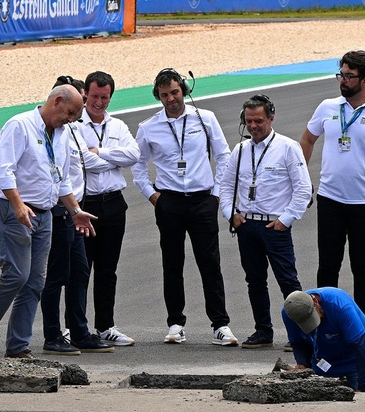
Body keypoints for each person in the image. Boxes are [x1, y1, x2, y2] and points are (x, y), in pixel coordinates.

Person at [0, 85, 96, 360]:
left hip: (44, 214)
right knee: (16, 274)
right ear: (57, 101)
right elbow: (4, 172)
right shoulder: (20, 125)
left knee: (36, 281)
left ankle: (18, 347)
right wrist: (18, 205)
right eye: (70, 112)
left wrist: (75, 210)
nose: (72, 119)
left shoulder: (62, 133)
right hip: (13, 211)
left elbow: (62, 179)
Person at [133, 68, 237, 346]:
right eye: (165, 94)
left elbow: (223, 155)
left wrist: (216, 193)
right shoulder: (148, 127)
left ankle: (220, 324)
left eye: (175, 92)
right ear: (158, 96)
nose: (170, 99)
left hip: (203, 199)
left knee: (210, 263)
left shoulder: (205, 118)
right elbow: (138, 165)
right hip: (169, 202)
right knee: (172, 263)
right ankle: (176, 323)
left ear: (185, 91)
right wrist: (153, 196)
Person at [300, 50, 365, 317]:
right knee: (328, 264)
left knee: (362, 264)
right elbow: (307, 140)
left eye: (348, 76)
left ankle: (362, 318)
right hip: (330, 198)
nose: (342, 81)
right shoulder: (327, 107)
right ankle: (322, 318)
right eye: (340, 75)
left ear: (364, 81)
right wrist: (301, 180)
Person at [218, 94, 312, 348]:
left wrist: (286, 220)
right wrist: (231, 214)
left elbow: (303, 189)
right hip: (247, 225)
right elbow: (225, 186)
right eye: (248, 121)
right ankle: (263, 331)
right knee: (254, 280)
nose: (253, 126)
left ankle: (303, 334)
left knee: (288, 281)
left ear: (271, 118)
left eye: (258, 120)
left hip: (275, 225)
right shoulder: (239, 150)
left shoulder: (288, 147)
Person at [39, 77, 114, 356]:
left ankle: (80, 332)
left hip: (74, 209)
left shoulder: (71, 129)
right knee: (56, 274)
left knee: (80, 271)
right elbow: (57, 176)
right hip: (61, 210)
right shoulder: (53, 131)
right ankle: (52, 334)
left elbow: (82, 163)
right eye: (74, 108)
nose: (76, 114)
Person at [78, 70, 140, 346]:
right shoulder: (74, 125)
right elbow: (82, 161)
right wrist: (115, 160)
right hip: (86, 204)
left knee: (107, 269)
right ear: (85, 96)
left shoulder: (118, 126)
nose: (99, 102)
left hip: (114, 203)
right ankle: (75, 327)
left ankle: (106, 326)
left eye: (104, 97)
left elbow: (134, 155)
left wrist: (100, 153)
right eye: (94, 96)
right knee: (80, 269)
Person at [282, 288, 365, 393]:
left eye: (312, 318)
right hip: (324, 361)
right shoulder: (290, 313)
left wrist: (363, 388)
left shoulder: (339, 306)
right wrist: (303, 365)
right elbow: (298, 342)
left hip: (357, 360)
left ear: (315, 302)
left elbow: (360, 346)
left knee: (360, 404)